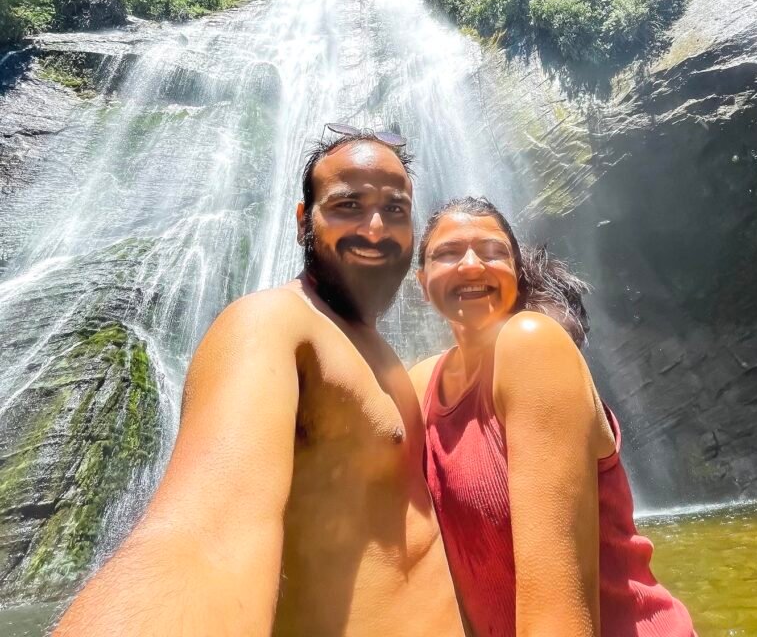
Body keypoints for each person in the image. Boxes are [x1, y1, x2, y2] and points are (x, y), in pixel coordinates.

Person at [54, 128, 466, 637]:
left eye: (395, 209)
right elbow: (206, 539)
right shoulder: (271, 324)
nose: (376, 228)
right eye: (348, 205)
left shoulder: (379, 357)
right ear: (301, 222)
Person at [411, 196, 697, 637]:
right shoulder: (422, 384)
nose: (471, 265)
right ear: (421, 281)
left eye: (492, 252)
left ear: (516, 273)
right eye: (447, 253)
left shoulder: (532, 344)